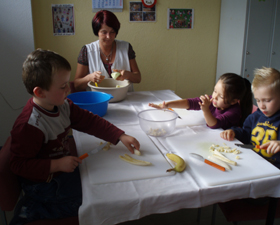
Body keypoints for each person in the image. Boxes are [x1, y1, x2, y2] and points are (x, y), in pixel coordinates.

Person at [9, 49, 140, 225]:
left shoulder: (63, 104)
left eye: (67, 83)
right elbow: (18, 165)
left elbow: (89, 121)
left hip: (61, 169)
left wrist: (120, 135)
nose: (69, 89)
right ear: (40, 93)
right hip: (43, 184)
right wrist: (56, 164)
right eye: (63, 86)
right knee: (91, 202)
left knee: (98, 188)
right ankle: (33, 209)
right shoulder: (30, 125)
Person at [220, 67, 280, 178]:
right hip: (254, 166)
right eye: (258, 100)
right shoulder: (255, 117)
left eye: (267, 100)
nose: (261, 106)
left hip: (277, 175)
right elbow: (246, 135)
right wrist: (234, 132)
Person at [149, 73, 253, 130]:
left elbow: (214, 124)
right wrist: (167, 105)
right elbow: (190, 103)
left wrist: (206, 110)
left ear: (234, 101)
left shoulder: (234, 112)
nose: (214, 97)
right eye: (215, 91)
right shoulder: (213, 99)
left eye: (220, 96)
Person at [74, 10, 141, 92]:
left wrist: (128, 75)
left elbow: (138, 78)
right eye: (104, 32)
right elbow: (77, 85)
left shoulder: (126, 47)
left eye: (112, 32)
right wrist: (89, 78)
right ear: (97, 32)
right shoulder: (87, 51)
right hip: (98, 100)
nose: (108, 37)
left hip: (125, 99)